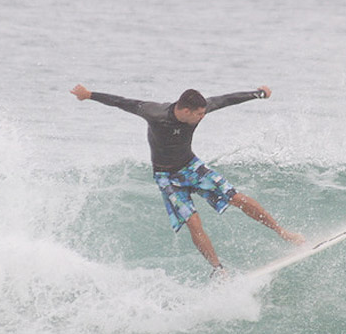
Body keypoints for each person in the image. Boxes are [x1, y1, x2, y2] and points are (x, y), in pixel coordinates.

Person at [70, 83, 305, 276]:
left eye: (204, 112)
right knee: (193, 222)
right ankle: (218, 270)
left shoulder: (200, 110)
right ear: (185, 111)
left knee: (236, 197)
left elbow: (226, 99)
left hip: (192, 166)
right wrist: (89, 95)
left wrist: (258, 94)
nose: (203, 117)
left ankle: (284, 232)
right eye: (199, 114)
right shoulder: (155, 113)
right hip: (166, 177)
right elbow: (123, 102)